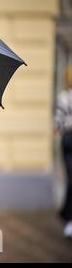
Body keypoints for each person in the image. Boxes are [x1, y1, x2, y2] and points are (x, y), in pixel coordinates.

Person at [54, 67, 72, 239]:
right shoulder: (64, 97)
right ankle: (68, 218)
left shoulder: (63, 97)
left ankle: (67, 217)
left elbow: (57, 123)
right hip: (69, 139)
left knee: (70, 179)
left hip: (67, 138)